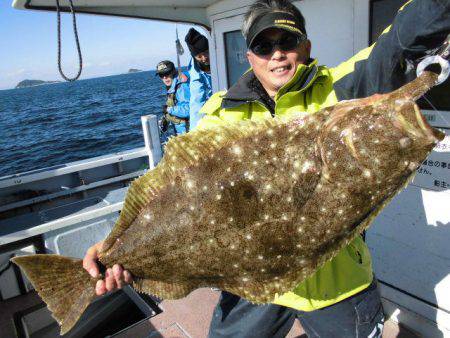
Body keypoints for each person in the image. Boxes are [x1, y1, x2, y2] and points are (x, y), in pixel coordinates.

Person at [83, 0, 450, 336]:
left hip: (335, 280)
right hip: (250, 282)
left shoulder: (339, 90)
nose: (277, 54)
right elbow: (176, 193)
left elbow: (401, 41)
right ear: (250, 56)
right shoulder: (219, 112)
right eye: (264, 46)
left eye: (287, 41)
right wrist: (113, 248)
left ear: (306, 47)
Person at [184, 28, 213, 130]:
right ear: (194, 57)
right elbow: (197, 101)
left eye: (205, 52)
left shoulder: (223, 57)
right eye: (199, 56)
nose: (204, 58)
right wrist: (194, 133)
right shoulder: (196, 74)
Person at [155, 60, 190, 135]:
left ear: (173, 72)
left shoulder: (182, 86)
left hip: (189, 132)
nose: (164, 77)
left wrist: (168, 110)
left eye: (167, 73)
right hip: (182, 131)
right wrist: (166, 119)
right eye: (161, 75)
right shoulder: (173, 85)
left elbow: (188, 109)